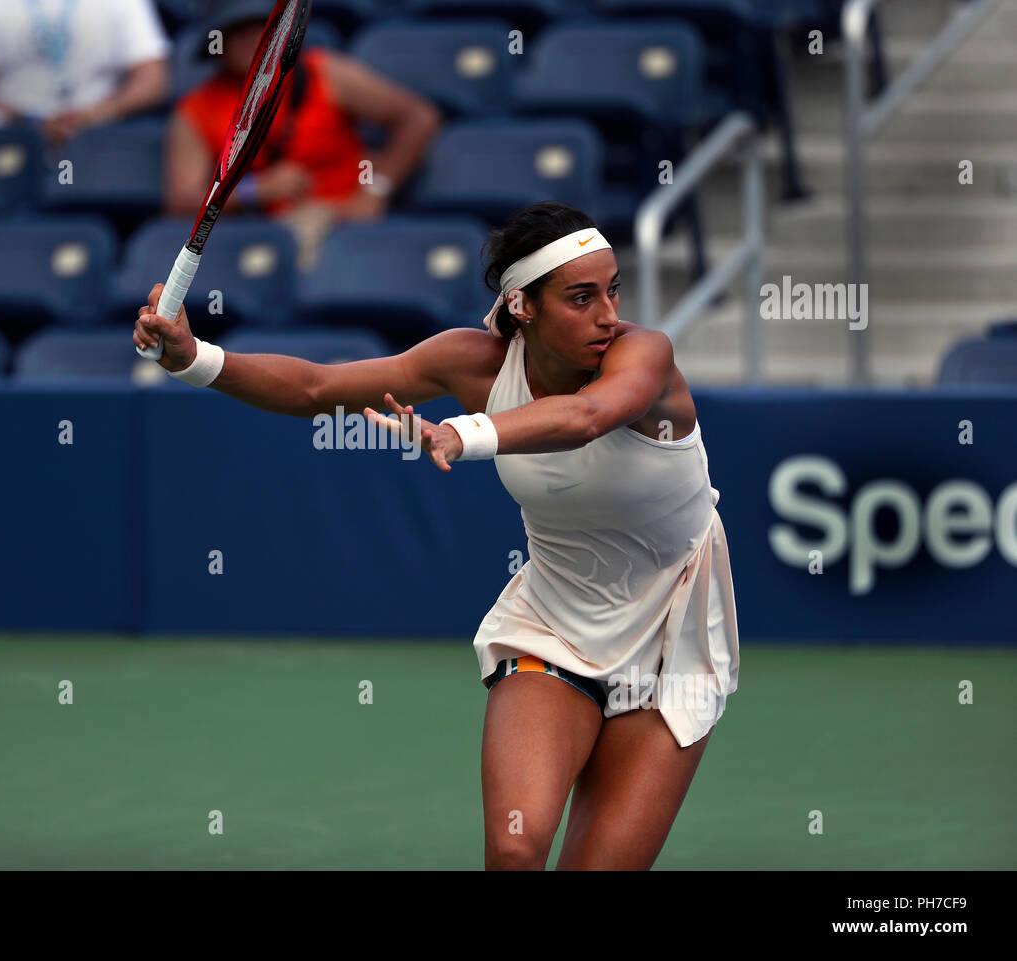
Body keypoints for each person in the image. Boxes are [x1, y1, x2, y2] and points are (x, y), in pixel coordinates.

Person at [132, 201, 740, 870]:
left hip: (672, 635)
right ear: (523, 306)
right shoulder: (472, 365)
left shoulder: (643, 355)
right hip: (555, 620)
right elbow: (315, 388)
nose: (608, 313)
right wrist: (195, 358)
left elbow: (588, 415)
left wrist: (465, 433)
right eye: (580, 296)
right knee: (513, 848)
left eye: (612, 289)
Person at [168, 0, 441, 272]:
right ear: (218, 43)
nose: (253, 39)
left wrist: (375, 190)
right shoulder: (196, 109)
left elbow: (418, 118)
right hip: (260, 240)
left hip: (344, 225)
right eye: (239, 32)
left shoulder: (324, 73)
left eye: (261, 28)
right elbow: (182, 202)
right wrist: (255, 191)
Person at [0, 0, 171, 144]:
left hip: (101, 128)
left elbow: (152, 80)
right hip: (12, 131)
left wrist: (94, 115)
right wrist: (34, 122)